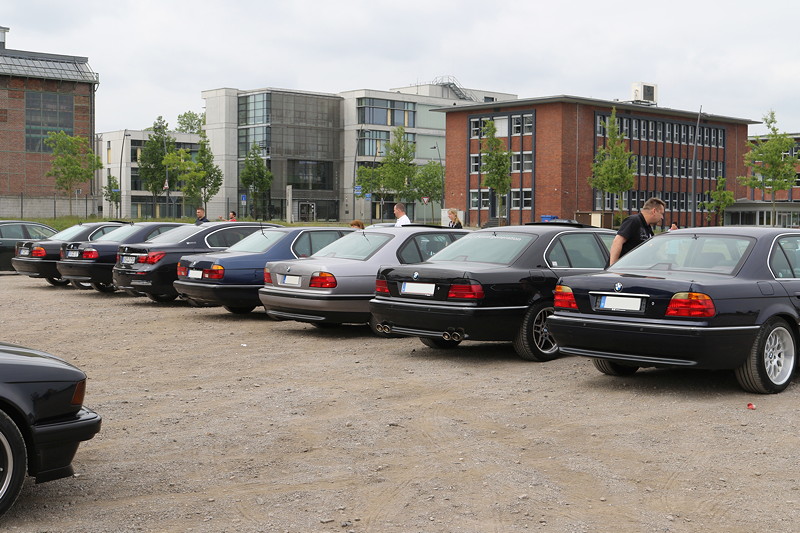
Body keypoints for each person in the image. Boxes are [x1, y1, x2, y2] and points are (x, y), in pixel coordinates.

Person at [608, 197, 665, 265]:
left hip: (636, 270)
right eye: (661, 213)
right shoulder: (633, 221)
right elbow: (617, 241)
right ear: (654, 211)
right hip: (622, 271)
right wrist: (612, 267)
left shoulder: (648, 228)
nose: (662, 217)